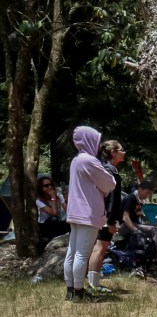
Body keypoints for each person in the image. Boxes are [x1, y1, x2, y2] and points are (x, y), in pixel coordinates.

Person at [63, 126, 116, 302]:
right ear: (89, 140)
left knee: (72, 253)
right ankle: (79, 292)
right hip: (88, 213)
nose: (99, 145)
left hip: (75, 212)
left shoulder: (76, 160)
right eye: (96, 140)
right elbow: (109, 184)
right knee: (82, 254)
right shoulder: (90, 161)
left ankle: (70, 290)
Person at [87, 140, 126, 294]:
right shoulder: (109, 171)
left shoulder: (109, 169)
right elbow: (110, 198)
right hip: (105, 216)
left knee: (101, 248)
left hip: (104, 215)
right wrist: (109, 220)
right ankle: (93, 284)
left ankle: (94, 283)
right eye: (121, 149)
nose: (124, 152)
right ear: (113, 153)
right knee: (99, 248)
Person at [119, 178, 157, 266]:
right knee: (155, 230)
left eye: (149, 193)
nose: (147, 195)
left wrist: (149, 222)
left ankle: (154, 254)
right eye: (146, 193)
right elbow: (125, 217)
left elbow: (139, 215)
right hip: (125, 226)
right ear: (140, 189)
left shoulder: (138, 200)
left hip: (135, 224)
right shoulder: (130, 199)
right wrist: (136, 230)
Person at [35, 175, 69, 244]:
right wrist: (53, 198)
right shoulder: (39, 201)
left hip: (58, 223)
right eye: (46, 186)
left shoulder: (58, 196)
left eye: (51, 185)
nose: (50, 187)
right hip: (45, 225)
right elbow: (54, 213)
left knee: (69, 222)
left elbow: (68, 211)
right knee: (53, 219)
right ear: (41, 188)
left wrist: (66, 199)